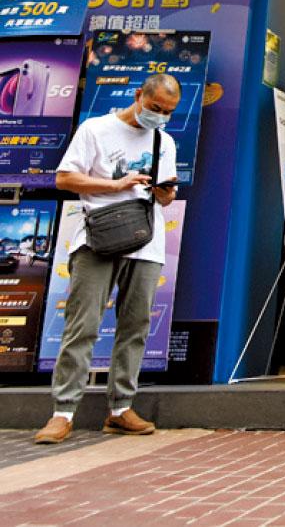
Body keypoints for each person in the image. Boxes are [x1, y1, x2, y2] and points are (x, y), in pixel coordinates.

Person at [35, 73, 181, 445]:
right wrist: (115, 185)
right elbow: (65, 179)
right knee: (82, 324)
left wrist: (163, 191)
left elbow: (166, 196)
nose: (160, 116)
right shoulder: (96, 129)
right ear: (139, 95)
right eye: (155, 107)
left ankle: (120, 408)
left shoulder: (164, 141)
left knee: (135, 326)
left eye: (168, 111)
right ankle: (63, 411)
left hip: (145, 240)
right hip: (97, 238)